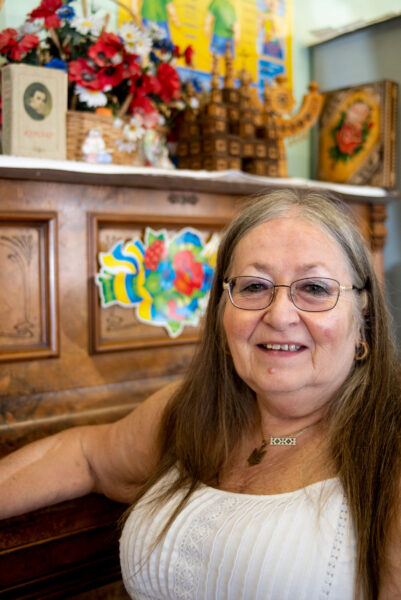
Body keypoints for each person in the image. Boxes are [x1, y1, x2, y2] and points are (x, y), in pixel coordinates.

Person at [1, 189, 401, 599]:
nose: (280, 315)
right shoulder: (190, 410)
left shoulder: (390, 453)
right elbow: (85, 455)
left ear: (362, 317)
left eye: (315, 288)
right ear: (222, 309)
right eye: (253, 286)